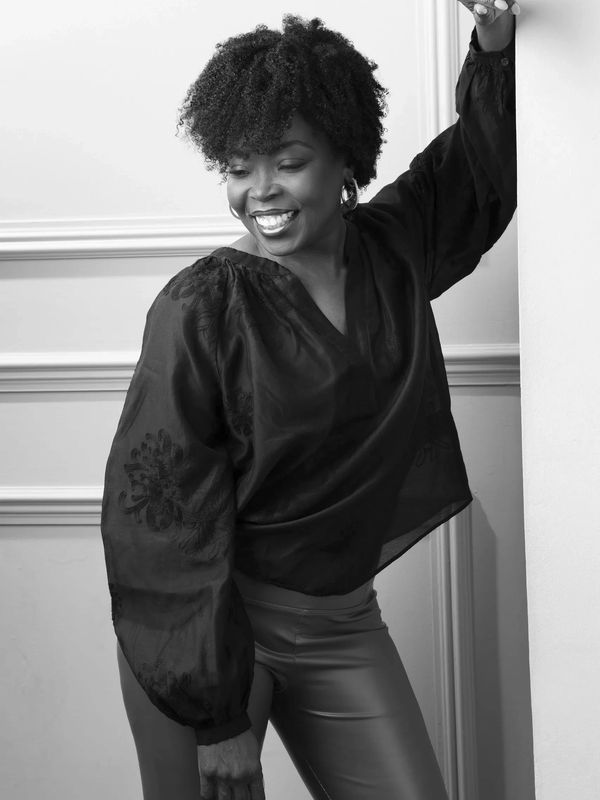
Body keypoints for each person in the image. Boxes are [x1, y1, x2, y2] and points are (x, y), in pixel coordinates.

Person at [100, 2, 518, 798]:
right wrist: (217, 716)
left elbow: (480, 169)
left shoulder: (395, 247)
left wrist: (496, 41)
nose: (261, 191)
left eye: (289, 162)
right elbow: (158, 521)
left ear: (345, 163)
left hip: (343, 622)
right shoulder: (201, 306)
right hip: (210, 631)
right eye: (238, 168)